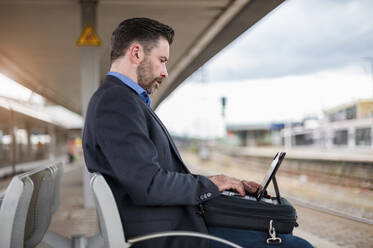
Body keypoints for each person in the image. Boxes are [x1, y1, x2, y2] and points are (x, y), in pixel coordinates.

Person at [82, 18, 312, 248]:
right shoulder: (117, 102)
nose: (165, 72)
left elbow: (153, 176)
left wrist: (220, 183)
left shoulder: (123, 99)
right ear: (136, 53)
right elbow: (148, 185)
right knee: (297, 246)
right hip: (167, 236)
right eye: (161, 61)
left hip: (176, 226)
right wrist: (212, 184)